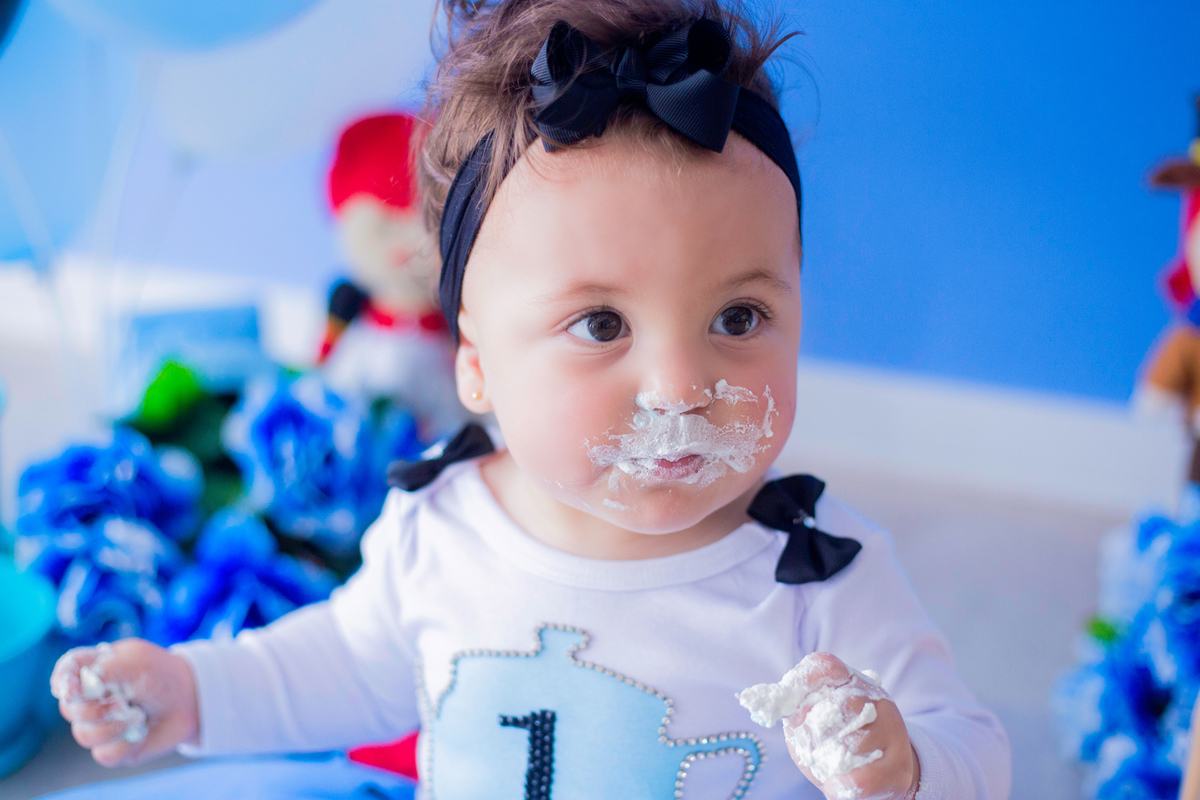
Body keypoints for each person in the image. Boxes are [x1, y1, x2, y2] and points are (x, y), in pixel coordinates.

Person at [49, 1, 1011, 798]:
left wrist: (907, 763)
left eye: (739, 317)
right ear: (474, 359)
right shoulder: (445, 525)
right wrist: (190, 690)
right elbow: (346, 662)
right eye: (600, 325)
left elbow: (974, 748)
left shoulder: (816, 575)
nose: (681, 390)